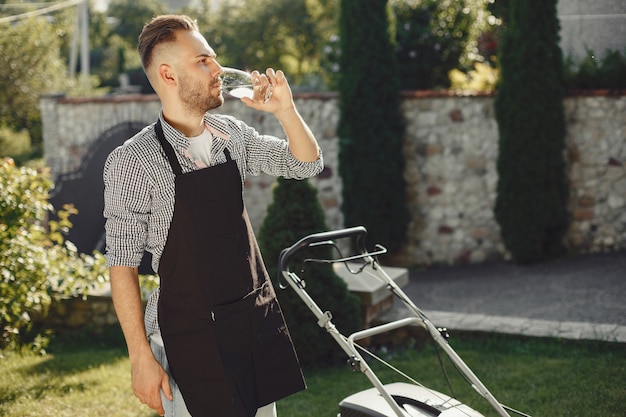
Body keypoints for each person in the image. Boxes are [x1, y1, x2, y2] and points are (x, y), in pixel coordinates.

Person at [103, 14, 323, 417]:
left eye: (214, 58)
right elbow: (122, 264)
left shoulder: (231, 135)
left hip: (250, 323)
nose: (217, 68)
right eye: (203, 60)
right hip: (189, 338)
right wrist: (140, 357)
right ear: (168, 75)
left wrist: (285, 111)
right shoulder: (133, 161)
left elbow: (305, 164)